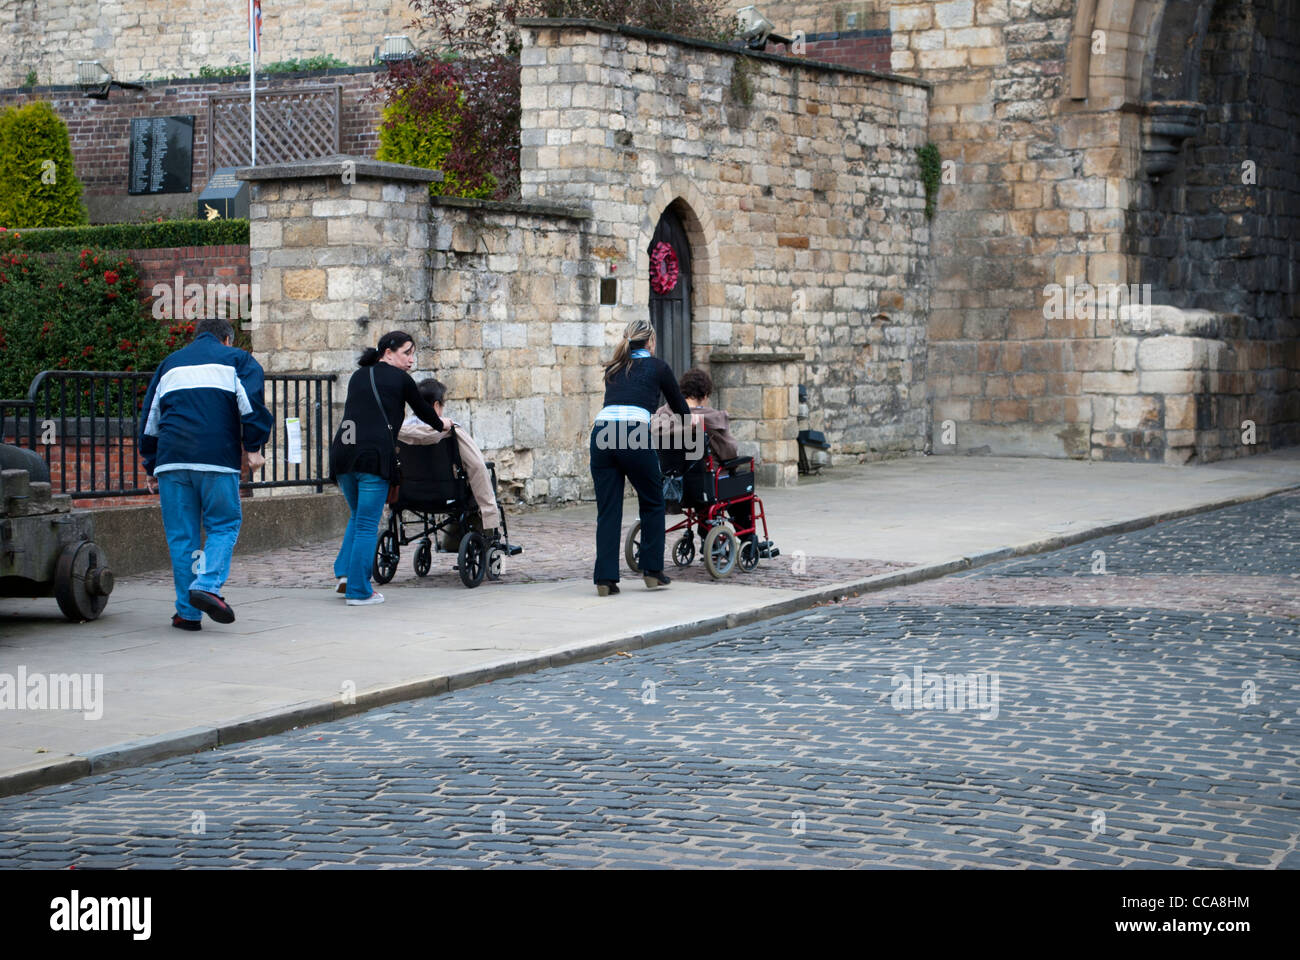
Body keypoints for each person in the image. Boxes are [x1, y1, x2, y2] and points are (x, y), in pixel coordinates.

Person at [139, 316, 271, 630]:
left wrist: (150, 463)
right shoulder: (237, 360)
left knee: (182, 536)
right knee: (223, 525)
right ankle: (207, 585)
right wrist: (253, 447)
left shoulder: (169, 364)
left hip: (171, 459)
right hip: (216, 458)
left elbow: (150, 417)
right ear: (227, 339)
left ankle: (187, 613)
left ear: (196, 338)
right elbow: (250, 403)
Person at [329, 331, 443, 606]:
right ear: (387, 352)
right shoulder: (401, 380)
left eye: (413, 354)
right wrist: (443, 425)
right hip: (372, 457)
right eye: (407, 353)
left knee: (358, 516)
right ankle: (359, 590)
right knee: (368, 523)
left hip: (343, 454)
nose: (411, 360)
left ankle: (345, 575)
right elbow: (425, 412)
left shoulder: (359, 376)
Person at [590, 318, 693, 596]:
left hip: (601, 433)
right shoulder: (658, 367)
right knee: (652, 501)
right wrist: (688, 424)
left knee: (608, 510)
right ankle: (652, 572)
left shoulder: (614, 368)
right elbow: (680, 408)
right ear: (651, 342)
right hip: (633, 433)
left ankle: (605, 580)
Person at [654, 366, 756, 551]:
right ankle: (748, 539)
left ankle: (706, 533)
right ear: (705, 394)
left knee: (703, 478)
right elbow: (729, 452)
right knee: (738, 485)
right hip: (703, 486)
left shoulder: (662, 415)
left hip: (671, 485)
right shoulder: (711, 418)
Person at [397, 378, 501, 537]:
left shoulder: (401, 432)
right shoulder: (451, 431)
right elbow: (476, 465)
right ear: (436, 405)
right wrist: (490, 512)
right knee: (482, 475)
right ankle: (482, 534)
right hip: (447, 494)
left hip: (411, 494)